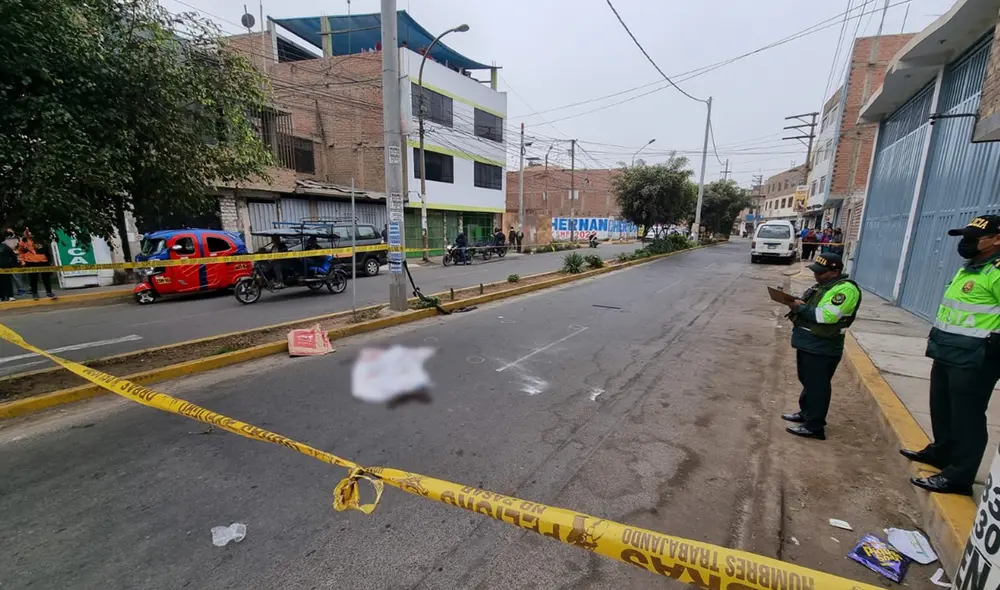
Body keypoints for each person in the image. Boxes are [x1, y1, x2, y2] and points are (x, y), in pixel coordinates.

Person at [901, 215, 1000, 495]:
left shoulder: (996, 271)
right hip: (948, 350)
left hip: (976, 358)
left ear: (997, 239)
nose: (966, 243)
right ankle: (941, 451)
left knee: (967, 417)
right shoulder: (971, 268)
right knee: (942, 408)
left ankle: (959, 476)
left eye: (973, 238)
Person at [780, 252, 862, 440]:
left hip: (822, 345)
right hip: (810, 342)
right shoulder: (825, 286)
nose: (816, 275)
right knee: (808, 381)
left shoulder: (845, 290)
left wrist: (798, 307)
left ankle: (814, 426)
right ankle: (805, 413)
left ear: (835, 272)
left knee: (818, 385)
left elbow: (825, 316)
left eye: (821, 272)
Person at [18, 229, 55, 300]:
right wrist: (23, 261)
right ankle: (35, 294)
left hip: (43, 261)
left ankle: (49, 293)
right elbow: (21, 252)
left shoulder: (41, 240)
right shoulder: (23, 241)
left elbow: (47, 251)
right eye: (28, 232)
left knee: (46, 277)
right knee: (33, 278)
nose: (30, 233)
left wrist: (50, 261)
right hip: (31, 262)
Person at [3, 229, 24, 296]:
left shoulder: (16, 239)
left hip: (15, 259)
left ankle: (21, 289)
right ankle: (6, 292)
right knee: (6, 278)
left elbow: (19, 247)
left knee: (16, 276)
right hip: (6, 260)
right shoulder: (3, 241)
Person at [0, 235, 17, 301]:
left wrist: (13, 264)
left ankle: (10, 296)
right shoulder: (6, 247)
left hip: (6, 268)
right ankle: (2, 296)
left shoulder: (5, 247)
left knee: (7, 281)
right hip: (4, 267)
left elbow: (13, 256)